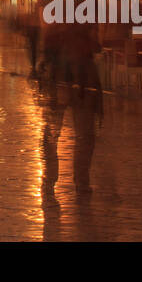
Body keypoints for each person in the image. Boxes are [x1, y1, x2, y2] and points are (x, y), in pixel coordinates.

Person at [38, 23, 102, 199]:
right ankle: (80, 181)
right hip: (80, 79)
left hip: (62, 78)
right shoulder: (85, 15)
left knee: (53, 133)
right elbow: (96, 45)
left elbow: (46, 48)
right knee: (83, 135)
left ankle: (50, 178)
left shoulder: (56, 19)